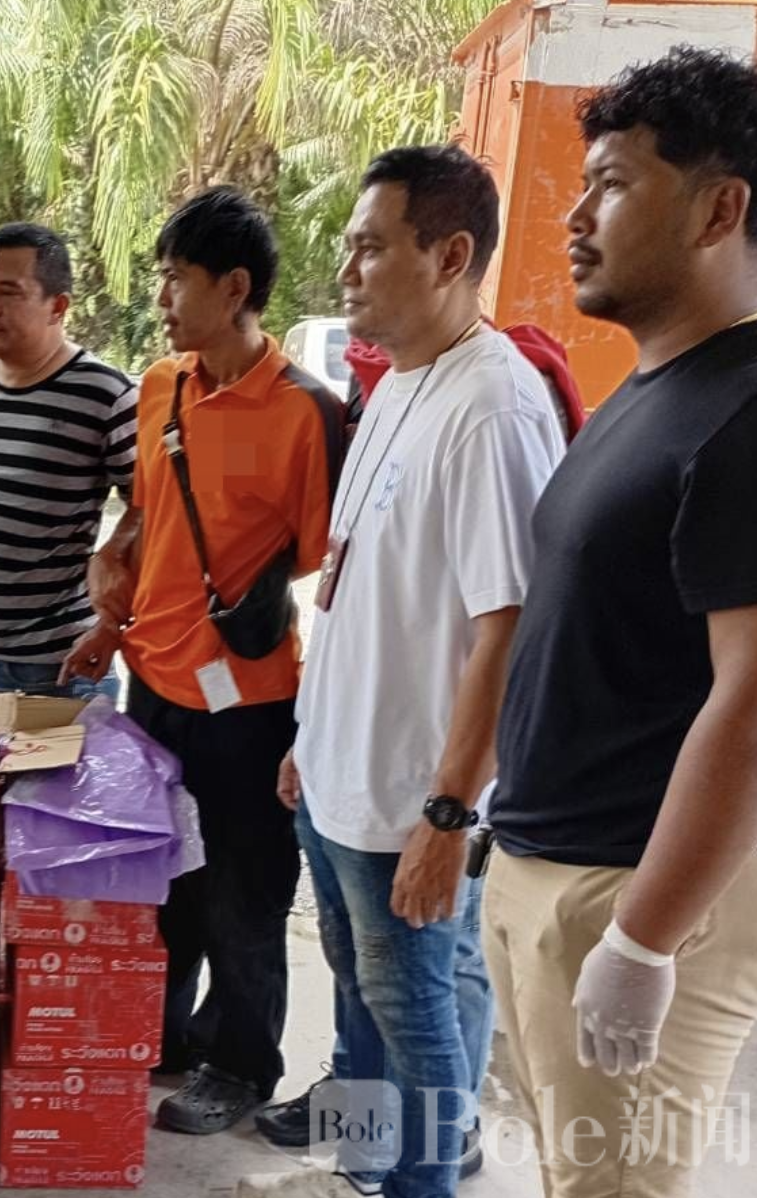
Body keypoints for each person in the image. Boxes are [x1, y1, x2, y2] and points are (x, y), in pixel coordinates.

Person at [252, 146, 565, 1198]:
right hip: (338, 779)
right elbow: (355, 588)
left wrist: (447, 812)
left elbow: (508, 631)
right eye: (349, 247)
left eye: (370, 248)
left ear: (451, 255)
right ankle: (362, 1166)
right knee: (355, 1002)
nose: (346, 271)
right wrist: (309, 739)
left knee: (416, 1017)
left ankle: (417, 1186)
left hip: (407, 804)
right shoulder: (397, 386)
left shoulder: (494, 407)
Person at [485, 48, 757, 1198]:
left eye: (612, 184)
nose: (575, 215)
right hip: (545, 869)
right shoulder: (651, 391)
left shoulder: (743, 412)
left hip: (626, 892)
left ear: (719, 209)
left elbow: (752, 697)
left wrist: (643, 939)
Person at [77, 187, 343, 1134]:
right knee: (166, 877)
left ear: (234, 288)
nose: (161, 299)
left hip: (249, 698)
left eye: (175, 279)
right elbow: (151, 512)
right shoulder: (162, 386)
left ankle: (240, 1062)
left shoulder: (307, 413)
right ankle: (168, 1037)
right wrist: (112, 598)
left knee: (243, 887)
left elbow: (318, 558)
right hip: (150, 682)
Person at [0, 223, 136, 698]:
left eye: (8, 292)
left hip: (56, 669)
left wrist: (109, 616)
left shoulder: (104, 394)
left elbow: (151, 507)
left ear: (58, 306)